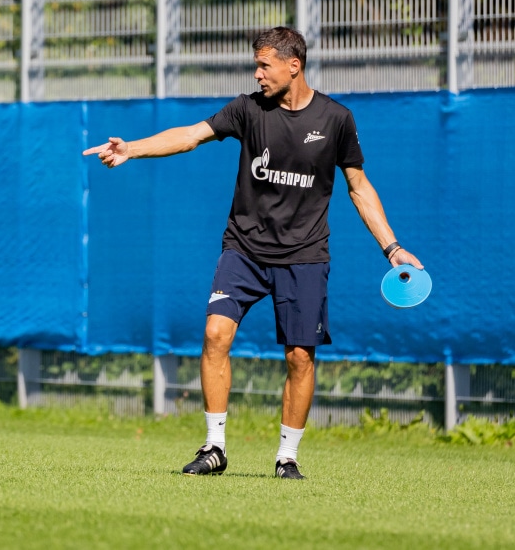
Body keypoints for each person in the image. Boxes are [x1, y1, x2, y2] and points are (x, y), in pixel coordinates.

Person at [83, 27, 422, 479]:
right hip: (243, 249)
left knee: (300, 357)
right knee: (215, 335)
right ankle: (214, 447)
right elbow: (191, 135)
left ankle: (287, 457)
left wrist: (392, 248)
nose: (257, 73)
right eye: (256, 65)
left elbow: (358, 188)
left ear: (293, 65)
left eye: (265, 65)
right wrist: (133, 149)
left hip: (304, 256)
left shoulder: (337, 118)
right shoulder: (247, 109)